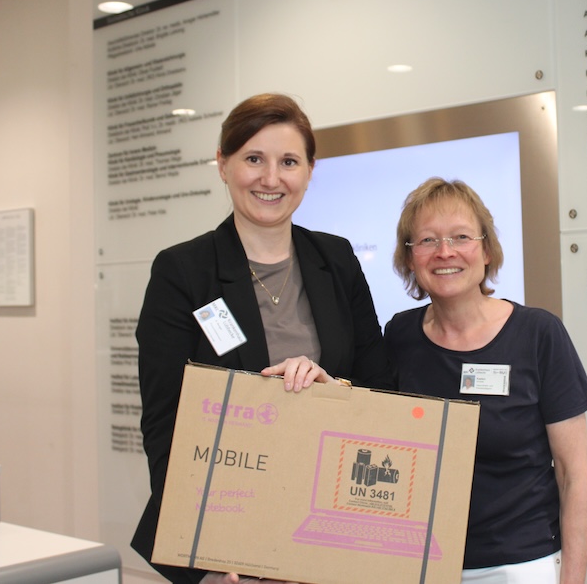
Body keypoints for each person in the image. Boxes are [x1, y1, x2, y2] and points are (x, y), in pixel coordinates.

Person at [131, 93, 393, 584]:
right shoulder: (183, 272)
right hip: (227, 542)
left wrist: (333, 387)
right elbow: (166, 423)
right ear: (223, 164)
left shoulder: (337, 260)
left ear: (310, 171)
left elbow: (380, 390)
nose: (271, 179)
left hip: (330, 528)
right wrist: (207, 553)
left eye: (289, 162)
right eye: (254, 158)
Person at [385, 178, 587, 584]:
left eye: (461, 237)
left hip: (521, 565)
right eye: (427, 240)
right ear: (409, 259)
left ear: (486, 250)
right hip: (422, 563)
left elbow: (574, 475)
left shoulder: (538, 334)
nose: (445, 252)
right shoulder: (399, 336)